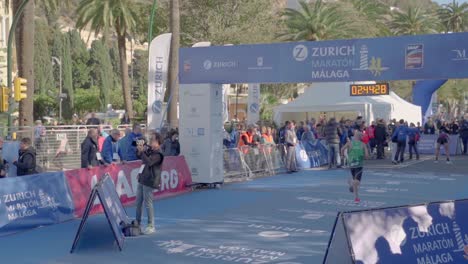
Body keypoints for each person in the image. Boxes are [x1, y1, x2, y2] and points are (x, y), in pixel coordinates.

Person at [135, 133, 164, 235]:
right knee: (138, 202)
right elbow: (141, 158)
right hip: (142, 178)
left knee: (148, 203)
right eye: (150, 139)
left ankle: (151, 225)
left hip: (150, 180)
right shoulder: (150, 150)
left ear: (158, 141)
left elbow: (149, 162)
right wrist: (139, 149)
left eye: (152, 139)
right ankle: (137, 223)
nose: (150, 140)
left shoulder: (159, 154)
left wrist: (143, 152)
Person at [341, 130, 369, 203]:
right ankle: (351, 184)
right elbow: (366, 155)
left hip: (352, 165)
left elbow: (342, 149)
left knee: (356, 183)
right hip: (359, 165)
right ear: (360, 137)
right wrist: (363, 156)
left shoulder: (350, 143)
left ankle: (356, 196)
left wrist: (343, 156)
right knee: (357, 182)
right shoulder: (363, 144)